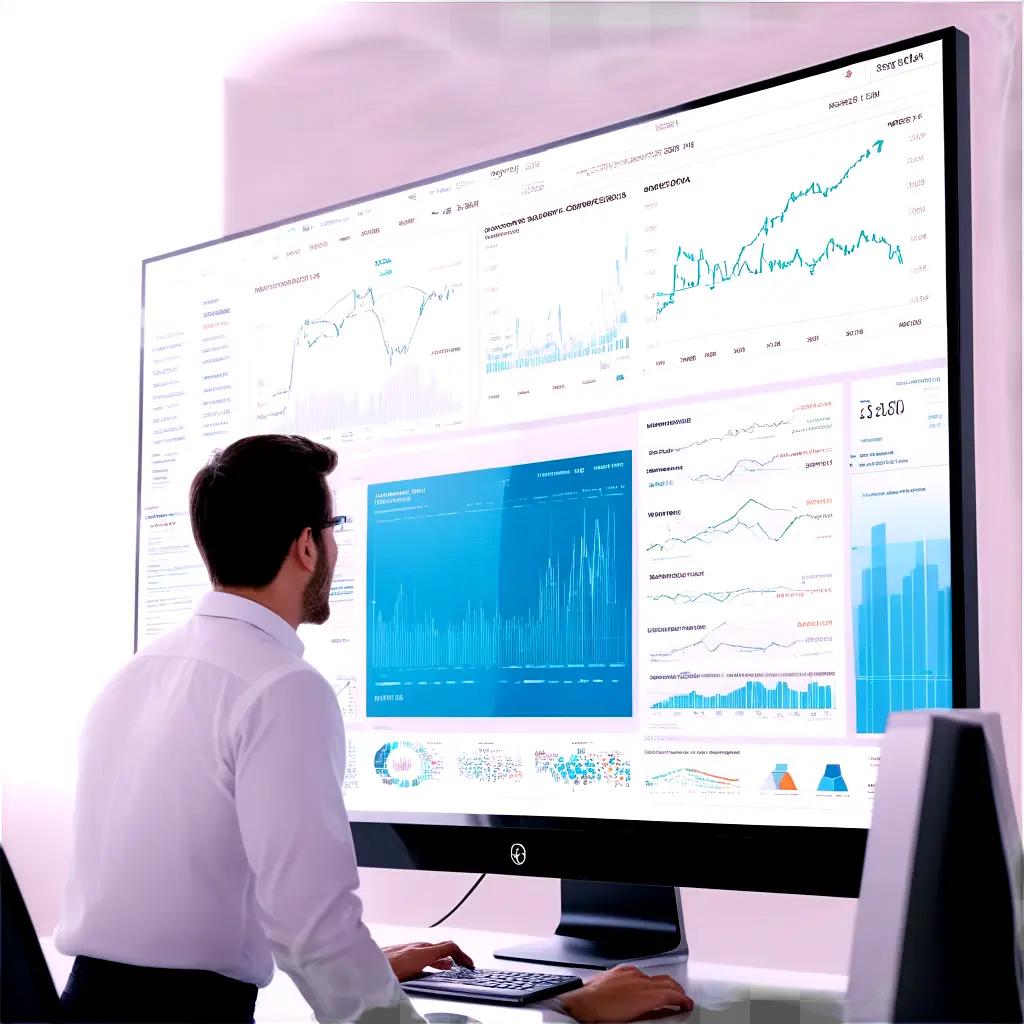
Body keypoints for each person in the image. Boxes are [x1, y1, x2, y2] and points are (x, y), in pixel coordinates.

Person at [54, 434, 694, 1023]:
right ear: (307, 546)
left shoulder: (134, 674)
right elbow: (311, 928)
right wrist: (564, 1012)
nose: (334, 548)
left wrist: (363, 968)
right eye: (333, 530)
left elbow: (192, 895)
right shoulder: (281, 688)